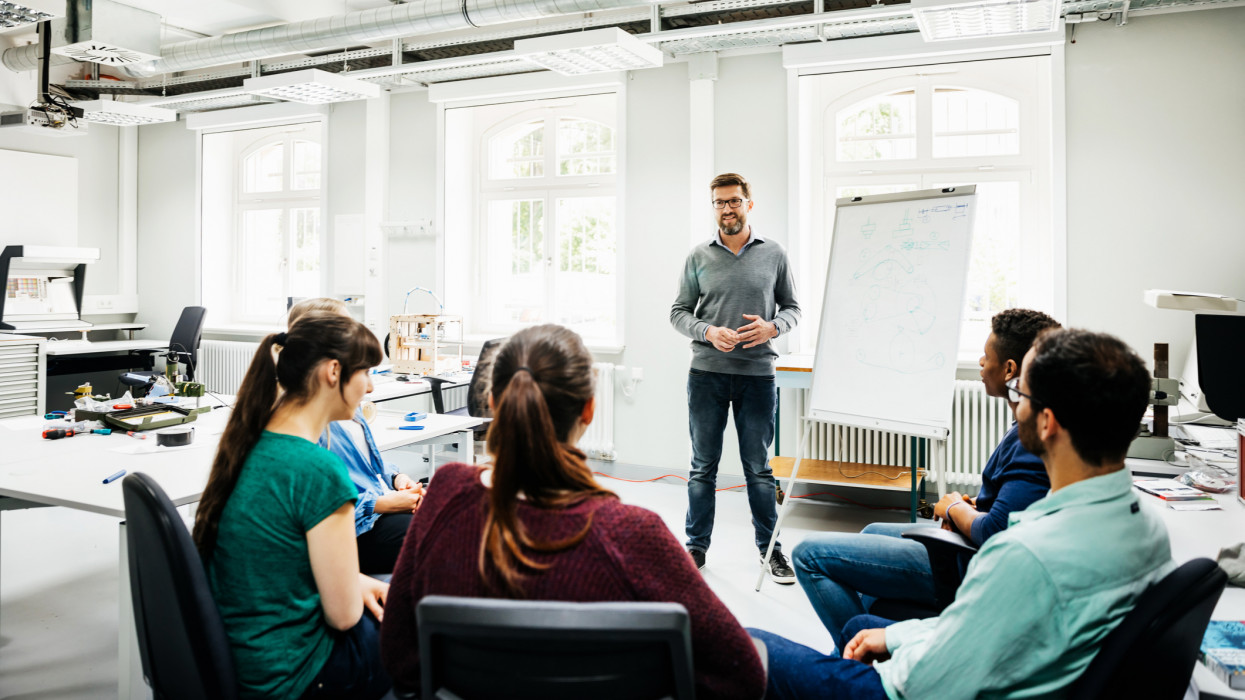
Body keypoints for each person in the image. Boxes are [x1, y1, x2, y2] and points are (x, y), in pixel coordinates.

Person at [751, 328, 1174, 700]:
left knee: (740, 647)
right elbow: (974, 629)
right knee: (860, 627)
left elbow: (926, 683)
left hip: (905, 689)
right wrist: (897, 634)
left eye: (1020, 394)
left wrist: (894, 651)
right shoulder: (1148, 527)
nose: (1015, 404)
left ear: (1048, 423)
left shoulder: (1023, 557)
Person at [380, 324, 765, 699]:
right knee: (768, 647)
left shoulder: (445, 492)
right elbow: (741, 677)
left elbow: (400, 655)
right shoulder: (634, 534)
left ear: (495, 403)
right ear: (589, 410)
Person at [792, 308, 1060, 647]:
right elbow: (1016, 505)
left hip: (971, 563)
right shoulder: (1025, 427)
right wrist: (976, 505)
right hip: (969, 545)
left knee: (807, 554)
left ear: (1009, 370)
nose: (980, 361)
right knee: (872, 531)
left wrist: (953, 509)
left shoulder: (1030, 439)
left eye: (986, 355)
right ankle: (863, 638)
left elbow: (995, 532)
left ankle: (860, 657)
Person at [193, 314, 391, 700]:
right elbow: (344, 615)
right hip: (299, 674)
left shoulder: (248, 442)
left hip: (250, 659)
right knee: (417, 623)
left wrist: (356, 582)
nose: (369, 386)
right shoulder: (318, 469)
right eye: (366, 372)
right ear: (334, 372)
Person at [669, 172, 802, 582]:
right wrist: (708, 331)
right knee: (701, 468)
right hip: (707, 375)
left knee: (759, 469)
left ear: (749, 203)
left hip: (758, 377)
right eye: (719, 203)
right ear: (714, 207)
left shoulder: (775, 254)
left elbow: (793, 309)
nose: (727, 209)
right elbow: (678, 313)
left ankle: (770, 551)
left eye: (733, 201)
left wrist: (772, 328)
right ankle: (696, 549)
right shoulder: (697, 256)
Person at [287, 298, 425, 574]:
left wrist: (395, 478)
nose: (372, 387)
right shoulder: (306, 431)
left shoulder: (345, 407)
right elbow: (322, 510)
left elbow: (364, 462)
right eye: (365, 372)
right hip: (358, 527)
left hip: (369, 512)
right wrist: (383, 503)